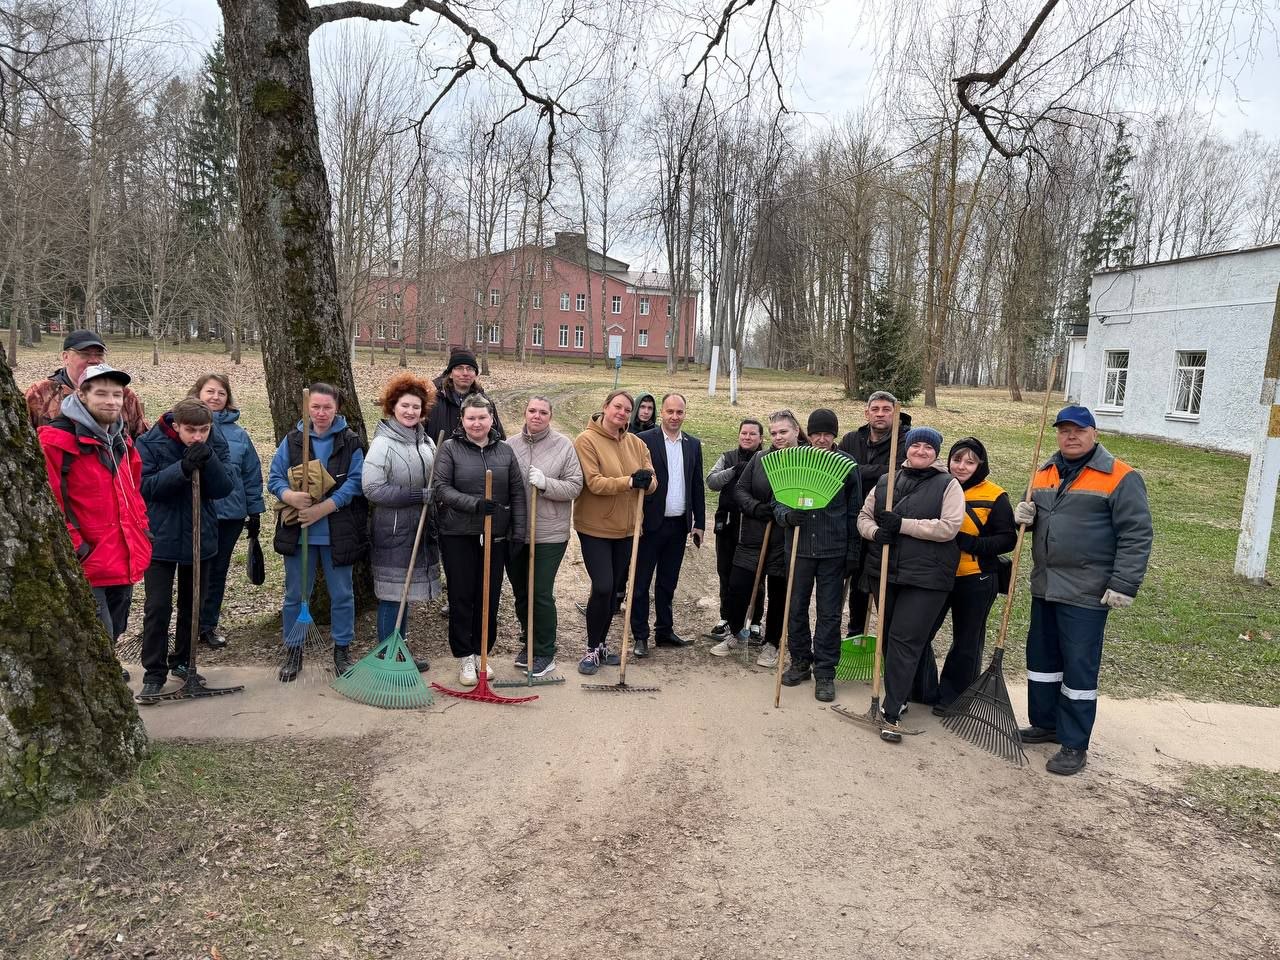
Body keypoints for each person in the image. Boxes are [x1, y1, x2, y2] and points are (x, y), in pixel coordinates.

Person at [1015, 405, 1153, 776]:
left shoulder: (1120, 476)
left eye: (1078, 430)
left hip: (1087, 592)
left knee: (1078, 669)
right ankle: (1046, 722)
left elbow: (1136, 534)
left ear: (1094, 433)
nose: (1070, 436)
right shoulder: (1044, 472)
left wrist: (1124, 583)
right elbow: (1036, 519)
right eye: (1064, 430)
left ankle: (1074, 743)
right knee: (1042, 662)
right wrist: (1023, 515)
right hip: (1045, 585)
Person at [38, 363, 152, 682]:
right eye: (101, 393)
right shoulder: (55, 440)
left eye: (117, 395)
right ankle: (99, 683)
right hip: (87, 558)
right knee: (96, 632)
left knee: (116, 626)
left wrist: (142, 531)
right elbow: (50, 501)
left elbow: (133, 490)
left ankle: (107, 672)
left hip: (123, 552)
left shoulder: (120, 439)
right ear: (82, 394)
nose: (111, 401)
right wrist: (77, 547)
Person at [857, 426, 963, 742]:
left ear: (936, 453)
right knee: (888, 635)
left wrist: (902, 525)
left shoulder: (949, 484)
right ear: (905, 449)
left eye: (927, 447)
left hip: (926, 578)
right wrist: (877, 533)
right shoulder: (886, 481)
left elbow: (949, 527)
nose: (920, 451)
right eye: (915, 445)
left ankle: (890, 712)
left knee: (904, 638)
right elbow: (863, 517)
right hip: (886, 572)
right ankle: (900, 697)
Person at [269, 383, 368, 681]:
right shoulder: (293, 440)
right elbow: (274, 477)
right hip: (299, 533)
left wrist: (324, 508)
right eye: (316, 407)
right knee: (296, 595)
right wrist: (289, 497)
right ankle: (294, 649)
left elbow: (355, 482)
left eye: (327, 407)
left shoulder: (350, 441)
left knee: (342, 594)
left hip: (336, 531)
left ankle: (341, 648)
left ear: (337, 408)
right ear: (307, 408)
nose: (321, 413)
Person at [136, 398, 233, 698]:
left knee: (193, 605)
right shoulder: (149, 443)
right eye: (191, 430)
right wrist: (182, 467)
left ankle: (184, 662)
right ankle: (154, 671)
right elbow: (146, 487)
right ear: (175, 425)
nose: (198, 436)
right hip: (161, 538)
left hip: (199, 537)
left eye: (203, 429)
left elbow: (224, 487)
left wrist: (208, 461)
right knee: (157, 606)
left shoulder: (214, 442)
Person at [917, 437, 1016, 714]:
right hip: (936, 575)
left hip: (975, 578)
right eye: (957, 460)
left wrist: (969, 543)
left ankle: (954, 696)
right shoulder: (938, 487)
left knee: (966, 641)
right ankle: (923, 689)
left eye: (970, 462)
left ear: (980, 465)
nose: (961, 466)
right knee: (920, 633)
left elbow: (1007, 539)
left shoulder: (995, 495)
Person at [433, 394, 527, 685]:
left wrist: (518, 534)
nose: (477, 423)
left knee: (489, 597)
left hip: (494, 536)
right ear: (462, 420)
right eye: (471, 418)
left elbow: (517, 495)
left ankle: (481, 652)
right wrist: (473, 504)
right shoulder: (450, 449)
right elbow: (441, 488)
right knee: (462, 596)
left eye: (482, 417)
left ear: (491, 419)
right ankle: (464, 657)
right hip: (458, 534)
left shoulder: (505, 451)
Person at [773, 409, 861, 702]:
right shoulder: (794, 461)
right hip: (798, 549)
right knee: (794, 607)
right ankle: (800, 660)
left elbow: (854, 511)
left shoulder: (847, 466)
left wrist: (852, 552)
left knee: (829, 612)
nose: (821, 439)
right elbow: (777, 502)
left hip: (833, 550)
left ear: (834, 434)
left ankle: (825, 671)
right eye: (816, 434)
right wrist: (787, 516)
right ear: (806, 434)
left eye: (827, 433)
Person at [572, 390, 658, 674]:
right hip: (596, 527)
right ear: (606, 407)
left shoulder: (636, 442)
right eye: (617, 407)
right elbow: (595, 483)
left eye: (626, 409)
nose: (621, 413)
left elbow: (651, 479)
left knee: (614, 595)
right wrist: (630, 482)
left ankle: (602, 645)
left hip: (627, 528)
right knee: (603, 586)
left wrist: (648, 482)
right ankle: (590, 648)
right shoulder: (586, 440)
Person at [362, 372, 441, 673]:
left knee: (404, 594)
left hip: (420, 530)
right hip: (393, 531)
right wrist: (416, 495)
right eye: (405, 406)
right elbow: (372, 488)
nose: (410, 412)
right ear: (393, 406)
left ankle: (400, 650)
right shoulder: (383, 444)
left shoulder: (427, 441)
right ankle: (387, 654)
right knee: (393, 596)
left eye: (416, 407)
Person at [712, 410, 805, 661]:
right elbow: (740, 489)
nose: (778, 437)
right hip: (753, 536)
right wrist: (756, 507)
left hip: (784, 540)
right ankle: (735, 633)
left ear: (796, 430)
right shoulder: (761, 458)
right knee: (738, 587)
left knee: (778, 594)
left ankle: (772, 643)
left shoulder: (806, 460)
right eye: (774, 433)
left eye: (783, 431)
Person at [506, 395, 584, 678]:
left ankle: (545, 652)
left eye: (543, 412)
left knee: (539, 591)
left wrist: (546, 484)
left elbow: (575, 486)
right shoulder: (509, 446)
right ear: (525, 413)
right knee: (521, 593)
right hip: (516, 532)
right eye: (532, 411)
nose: (536, 416)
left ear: (550, 416)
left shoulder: (563, 446)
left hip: (550, 533)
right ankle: (529, 642)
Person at [189, 373, 265, 649]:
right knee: (193, 572)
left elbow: (251, 475)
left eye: (221, 393)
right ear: (198, 394)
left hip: (230, 515)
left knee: (217, 572)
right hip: (194, 514)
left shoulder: (239, 434)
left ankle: (207, 625)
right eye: (210, 392)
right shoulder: (186, 427)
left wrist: (254, 511)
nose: (215, 397)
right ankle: (188, 625)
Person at [628, 393, 705, 657]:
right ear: (662, 412)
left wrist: (699, 523)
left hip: (678, 525)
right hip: (649, 524)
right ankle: (640, 636)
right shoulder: (644, 440)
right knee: (640, 583)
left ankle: (664, 630)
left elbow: (697, 486)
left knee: (667, 582)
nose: (674, 417)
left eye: (679, 412)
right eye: (670, 411)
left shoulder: (693, 445)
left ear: (685, 414)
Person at [838, 391, 912, 635]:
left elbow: (899, 471)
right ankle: (855, 631)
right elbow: (838, 469)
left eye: (886, 410)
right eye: (875, 409)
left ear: (896, 414)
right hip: (852, 518)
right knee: (857, 579)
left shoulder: (906, 441)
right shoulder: (851, 439)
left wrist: (856, 470)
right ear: (867, 413)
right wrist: (875, 471)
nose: (880, 414)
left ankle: (888, 636)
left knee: (882, 580)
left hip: (887, 520)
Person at [27, 330, 148, 438]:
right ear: (65, 357)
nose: (94, 360)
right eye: (85, 354)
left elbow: (142, 438)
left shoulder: (123, 394)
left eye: (99, 354)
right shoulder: (39, 394)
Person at [706, 418, 765, 641]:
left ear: (761, 438)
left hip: (755, 526)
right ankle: (726, 617)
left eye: (752, 434)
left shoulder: (766, 458)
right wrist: (732, 471)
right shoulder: (728, 457)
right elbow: (711, 482)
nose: (747, 437)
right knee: (726, 572)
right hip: (728, 524)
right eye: (744, 433)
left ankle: (755, 620)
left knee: (756, 577)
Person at [427, 349, 505, 442]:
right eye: (459, 368)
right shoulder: (432, 400)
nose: (465, 373)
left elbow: (499, 439)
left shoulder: (485, 403)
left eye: (470, 369)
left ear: (475, 375)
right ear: (450, 374)